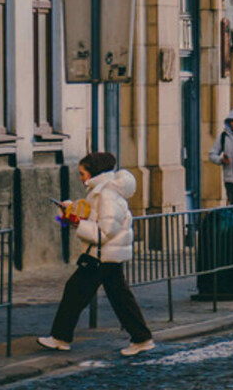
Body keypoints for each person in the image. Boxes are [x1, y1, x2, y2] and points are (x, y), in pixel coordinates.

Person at [38, 152, 155, 357]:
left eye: (83, 173)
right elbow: (98, 222)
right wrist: (71, 211)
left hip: (101, 255)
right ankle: (141, 338)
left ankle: (60, 338)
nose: (81, 178)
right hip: (107, 255)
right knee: (120, 298)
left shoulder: (105, 194)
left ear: (94, 173)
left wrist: (76, 223)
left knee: (75, 292)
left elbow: (105, 231)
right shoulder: (101, 191)